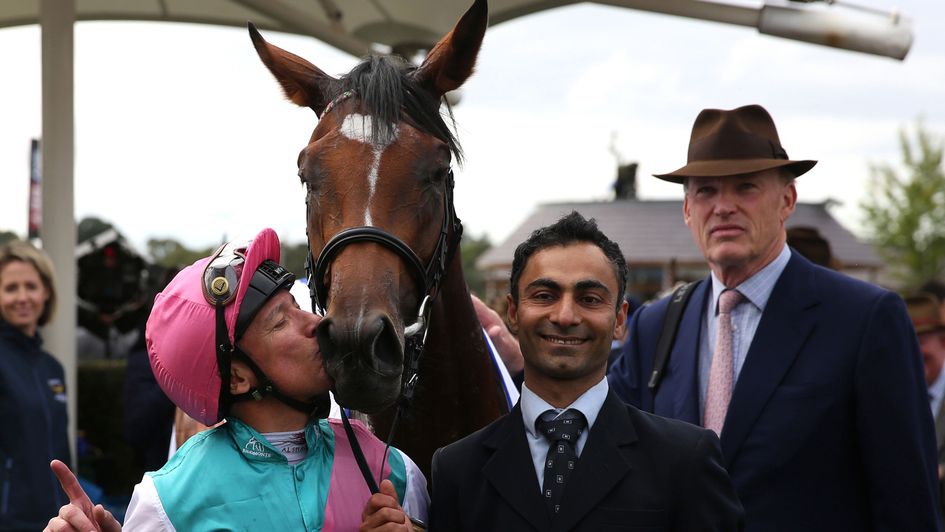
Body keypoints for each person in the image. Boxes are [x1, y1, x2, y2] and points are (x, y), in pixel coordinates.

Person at [608, 104, 941, 530]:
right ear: (687, 211)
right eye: (706, 191)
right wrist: (519, 364)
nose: (723, 206)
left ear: (787, 200)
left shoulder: (864, 320)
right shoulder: (656, 328)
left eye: (745, 187)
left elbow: (907, 505)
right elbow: (598, 443)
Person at [45, 228, 427, 531]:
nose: (317, 323)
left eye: (298, 308)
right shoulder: (167, 502)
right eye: (281, 321)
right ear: (238, 378)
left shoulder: (393, 470)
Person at [430, 212, 744, 531]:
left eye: (589, 299)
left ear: (620, 320)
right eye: (544, 296)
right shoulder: (457, 468)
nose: (565, 316)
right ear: (512, 311)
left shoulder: (684, 460)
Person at [0, 240, 70, 530]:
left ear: (46, 292)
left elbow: (61, 451)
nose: (22, 297)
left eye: (31, 286)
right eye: (10, 288)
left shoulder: (52, 368)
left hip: (56, 521)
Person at [907, 292, 945, 513]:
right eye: (904, 342)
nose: (910, 352)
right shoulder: (895, 394)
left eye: (919, 342)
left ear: (942, 341)